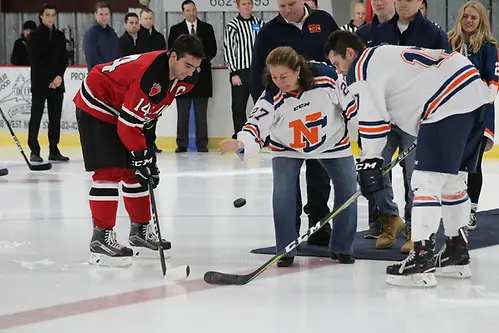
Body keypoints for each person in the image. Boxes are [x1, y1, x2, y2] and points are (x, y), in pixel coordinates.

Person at [325, 30, 494, 287]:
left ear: (349, 53)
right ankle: (456, 254)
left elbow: (372, 119)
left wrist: (369, 160)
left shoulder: (361, 66)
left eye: (337, 64)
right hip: (476, 98)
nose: (339, 72)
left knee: (425, 182)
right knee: (452, 185)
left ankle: (421, 259)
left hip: (446, 104)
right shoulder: (385, 55)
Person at [220, 46, 358, 267]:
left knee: (349, 188)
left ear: (297, 70)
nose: (279, 82)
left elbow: (350, 106)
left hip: (332, 141)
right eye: (274, 77)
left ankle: (342, 247)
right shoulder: (271, 95)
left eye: (284, 76)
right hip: (286, 146)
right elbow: (256, 123)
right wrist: (241, 141)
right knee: (283, 193)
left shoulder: (327, 77)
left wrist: (370, 131)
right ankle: (286, 248)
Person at [73, 34, 204, 267]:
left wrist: (146, 153)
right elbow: (127, 125)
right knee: (109, 172)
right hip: (99, 101)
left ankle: (140, 232)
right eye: (187, 65)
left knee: (135, 172)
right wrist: (140, 155)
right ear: (172, 56)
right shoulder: (151, 74)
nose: (191, 72)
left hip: (122, 108)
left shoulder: (186, 79)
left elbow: (149, 114)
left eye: (195, 67)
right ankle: (101, 237)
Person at [250, 0, 340, 247]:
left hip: (319, 113)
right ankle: (291, 229)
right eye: (281, 6)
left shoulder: (323, 21)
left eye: (290, 4)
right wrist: (266, 117)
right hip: (286, 116)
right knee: (287, 176)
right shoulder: (269, 32)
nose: (286, 10)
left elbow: (337, 59)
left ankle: (319, 221)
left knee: (319, 172)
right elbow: (258, 73)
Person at [366, 0, 451, 254]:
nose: (403, 2)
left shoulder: (434, 34)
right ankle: (389, 218)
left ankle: (417, 228)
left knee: (415, 176)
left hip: (415, 117)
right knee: (376, 167)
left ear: (419, 2)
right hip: (384, 115)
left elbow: (445, 75)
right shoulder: (380, 33)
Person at [448, 1, 499, 231]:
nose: (469, 21)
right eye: (466, 16)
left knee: (474, 164)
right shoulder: (450, 42)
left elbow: (493, 81)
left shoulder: (488, 46)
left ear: (481, 21)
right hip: (452, 113)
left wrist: (479, 105)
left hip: (479, 114)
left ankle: (472, 210)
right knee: (453, 164)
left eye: (474, 18)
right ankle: (455, 206)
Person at [355, 0, 396, 239]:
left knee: (414, 173)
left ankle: (412, 223)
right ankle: (382, 220)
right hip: (373, 115)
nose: (378, 2)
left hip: (406, 113)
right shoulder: (362, 35)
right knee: (374, 168)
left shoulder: (405, 30)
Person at [168, 0, 217, 153]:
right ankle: (181, 144)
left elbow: (212, 49)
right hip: (182, 77)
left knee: (201, 113)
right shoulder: (176, 30)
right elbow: (172, 51)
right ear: (183, 12)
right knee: (182, 111)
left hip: (202, 76)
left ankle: (202, 143)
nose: (191, 13)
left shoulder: (207, 29)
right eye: (188, 10)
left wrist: (198, 63)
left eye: (193, 10)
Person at [27, 3, 69, 162]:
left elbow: (64, 58)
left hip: (57, 83)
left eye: (53, 15)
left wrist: (59, 77)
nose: (51, 18)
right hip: (40, 83)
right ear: (41, 16)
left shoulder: (59, 35)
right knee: (36, 115)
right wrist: (51, 79)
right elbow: (36, 61)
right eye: (47, 15)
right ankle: (34, 150)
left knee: (55, 117)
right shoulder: (34, 36)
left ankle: (54, 149)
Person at [223, 0, 265, 139]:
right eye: (243, 4)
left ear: (252, 5)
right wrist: (233, 72)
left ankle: (262, 136)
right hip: (241, 71)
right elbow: (229, 49)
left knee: (261, 105)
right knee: (238, 107)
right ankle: (240, 137)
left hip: (258, 70)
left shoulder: (260, 24)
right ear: (238, 6)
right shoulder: (232, 25)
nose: (246, 6)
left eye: (248, 3)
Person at [138, 8, 167, 153]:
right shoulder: (137, 37)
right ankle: (140, 141)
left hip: (156, 79)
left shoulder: (159, 37)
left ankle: (151, 141)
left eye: (150, 18)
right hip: (141, 78)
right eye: (146, 18)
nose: (148, 21)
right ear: (140, 19)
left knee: (153, 112)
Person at [83, 1, 120, 72]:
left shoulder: (113, 34)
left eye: (106, 14)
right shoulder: (90, 35)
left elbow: (118, 54)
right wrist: (108, 68)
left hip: (113, 75)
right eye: (101, 14)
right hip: (98, 75)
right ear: (95, 15)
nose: (104, 17)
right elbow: (92, 57)